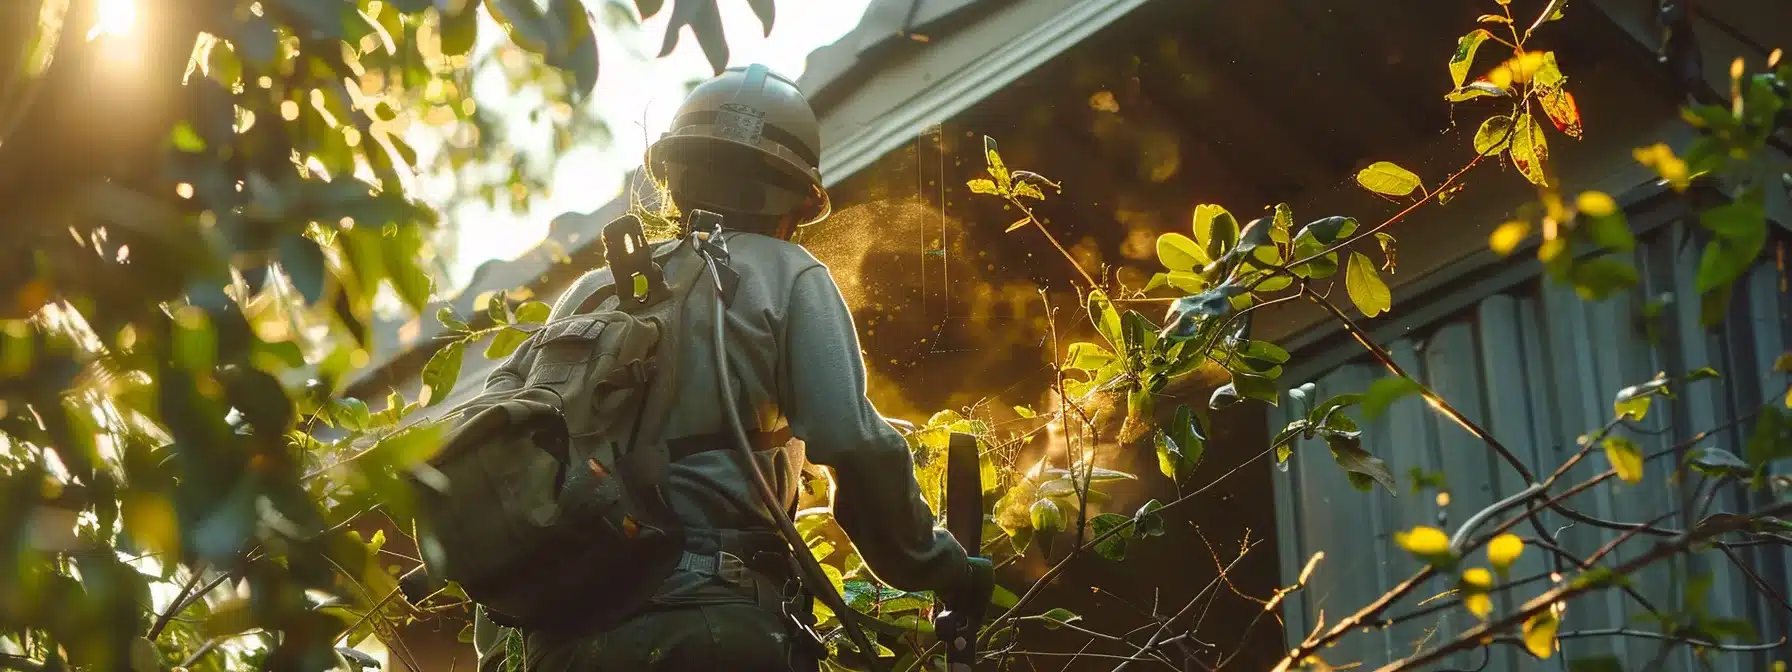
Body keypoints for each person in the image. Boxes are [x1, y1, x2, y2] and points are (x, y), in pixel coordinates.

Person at [475, 64, 971, 671]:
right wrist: (940, 566)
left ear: (677, 176)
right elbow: (850, 439)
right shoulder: (789, 273)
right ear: (793, 197)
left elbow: (511, 460)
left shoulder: (589, 292)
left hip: (566, 642)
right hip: (713, 626)